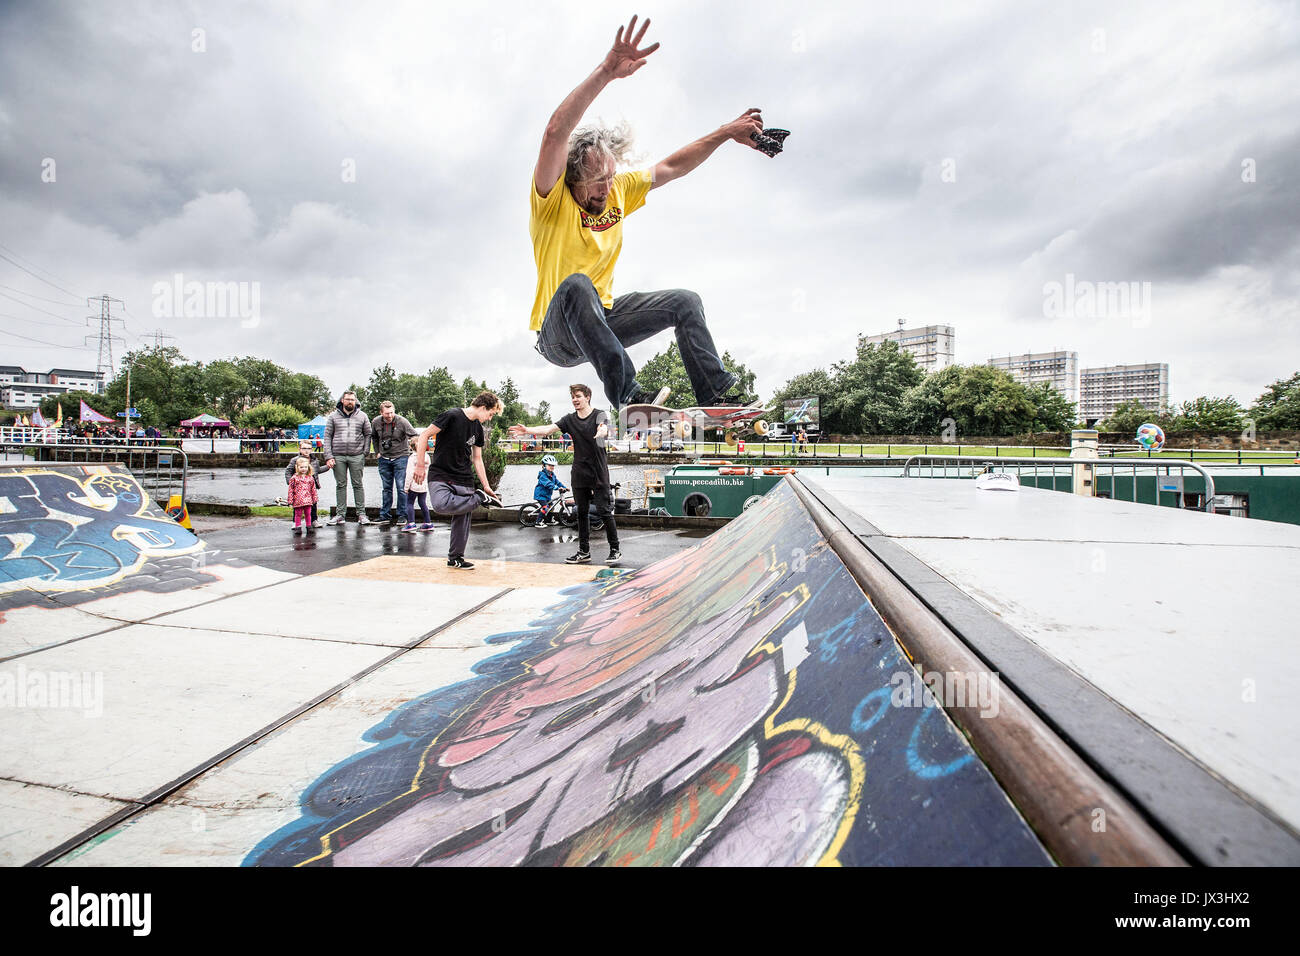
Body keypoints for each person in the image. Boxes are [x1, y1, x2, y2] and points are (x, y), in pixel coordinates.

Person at [528, 15, 766, 412]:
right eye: (595, 182)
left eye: (609, 177)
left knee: (685, 301)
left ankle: (717, 396)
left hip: (602, 321)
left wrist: (725, 132)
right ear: (573, 179)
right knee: (576, 284)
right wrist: (606, 71)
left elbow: (672, 166)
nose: (606, 189)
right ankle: (627, 394)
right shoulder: (551, 198)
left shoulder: (620, 188)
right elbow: (555, 132)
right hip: (557, 334)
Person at [509, 383, 620, 565]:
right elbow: (548, 429)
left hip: (599, 472)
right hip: (579, 472)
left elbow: (604, 427)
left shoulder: (599, 414)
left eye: (578, 396)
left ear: (587, 397)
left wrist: (602, 431)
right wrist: (528, 430)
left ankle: (615, 549)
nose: (575, 400)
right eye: (573, 397)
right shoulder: (569, 419)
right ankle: (584, 551)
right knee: (581, 513)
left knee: (604, 511)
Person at [409, 391, 504, 569]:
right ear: (483, 407)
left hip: (464, 477)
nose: (489, 418)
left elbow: (477, 459)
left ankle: (455, 558)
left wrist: (486, 486)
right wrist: (420, 465)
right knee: (440, 505)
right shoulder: (451, 415)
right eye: (490, 414)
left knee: (462, 518)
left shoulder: (478, 429)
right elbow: (424, 436)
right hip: (441, 474)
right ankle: (478, 498)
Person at [323, 390, 373, 525]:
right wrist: (328, 456)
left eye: (352, 399)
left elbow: (368, 434)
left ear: (356, 401)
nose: (350, 401)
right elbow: (327, 436)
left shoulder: (362, 416)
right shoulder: (333, 417)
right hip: (338, 455)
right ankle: (340, 515)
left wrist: (365, 451)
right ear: (342, 401)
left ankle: (361, 514)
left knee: (358, 484)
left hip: (357, 455)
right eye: (348, 399)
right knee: (341, 485)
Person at [371, 400, 421, 526]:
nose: (390, 416)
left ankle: (402, 515)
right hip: (384, 458)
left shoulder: (402, 421)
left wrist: (414, 450)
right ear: (381, 412)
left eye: (392, 413)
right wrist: (377, 451)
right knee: (386, 488)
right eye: (387, 413)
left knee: (401, 487)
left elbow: (415, 435)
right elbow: (374, 437)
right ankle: (384, 515)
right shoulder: (376, 422)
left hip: (401, 458)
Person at [284, 439, 325, 527]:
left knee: (313, 504)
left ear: (311, 449)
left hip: (310, 486)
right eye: (304, 448)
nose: (306, 450)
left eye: (309, 448)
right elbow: (288, 471)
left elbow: (318, 470)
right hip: (298, 487)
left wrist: (328, 467)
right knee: (297, 506)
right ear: (300, 449)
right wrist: (291, 483)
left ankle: (314, 520)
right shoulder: (295, 460)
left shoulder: (314, 460)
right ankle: (295, 522)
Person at [402, 436, 434, 533]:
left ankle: (411, 523)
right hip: (423, 485)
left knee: (409, 503)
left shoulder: (412, 458)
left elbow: (410, 474)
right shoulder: (427, 457)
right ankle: (428, 523)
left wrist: (406, 487)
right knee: (423, 503)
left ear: (411, 447)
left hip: (414, 485)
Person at [531, 454, 568, 527]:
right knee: (545, 507)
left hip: (547, 495)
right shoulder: (542, 476)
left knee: (551, 506)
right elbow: (548, 484)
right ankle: (538, 522)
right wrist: (557, 488)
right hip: (541, 495)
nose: (552, 467)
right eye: (550, 465)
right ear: (544, 465)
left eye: (553, 465)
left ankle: (549, 520)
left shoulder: (552, 475)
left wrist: (564, 487)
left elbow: (557, 482)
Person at [287, 456, 319, 536]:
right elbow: (290, 490)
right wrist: (290, 501)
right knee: (298, 514)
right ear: (297, 467)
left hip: (308, 500)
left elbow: (313, 489)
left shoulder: (310, 478)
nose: (304, 469)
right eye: (301, 467)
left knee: (308, 513)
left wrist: (315, 498)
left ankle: (309, 526)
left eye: (305, 467)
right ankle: (298, 527)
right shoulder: (294, 478)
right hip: (298, 500)